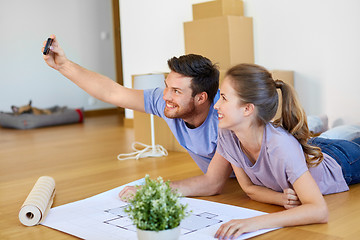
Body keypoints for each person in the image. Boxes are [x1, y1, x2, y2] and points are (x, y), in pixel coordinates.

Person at [122, 63, 360, 239]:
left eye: (223, 98)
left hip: (342, 163)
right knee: (324, 139)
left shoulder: (280, 147)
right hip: (311, 152)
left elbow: (318, 210)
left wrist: (253, 223)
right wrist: (279, 198)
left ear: (247, 109)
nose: (215, 105)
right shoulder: (227, 133)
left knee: (344, 141)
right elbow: (248, 189)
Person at [42, 35, 220, 174]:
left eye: (177, 91)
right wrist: (63, 65)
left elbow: (213, 183)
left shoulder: (224, 116)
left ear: (201, 98)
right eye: (167, 86)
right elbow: (112, 92)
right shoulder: (166, 100)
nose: (165, 96)